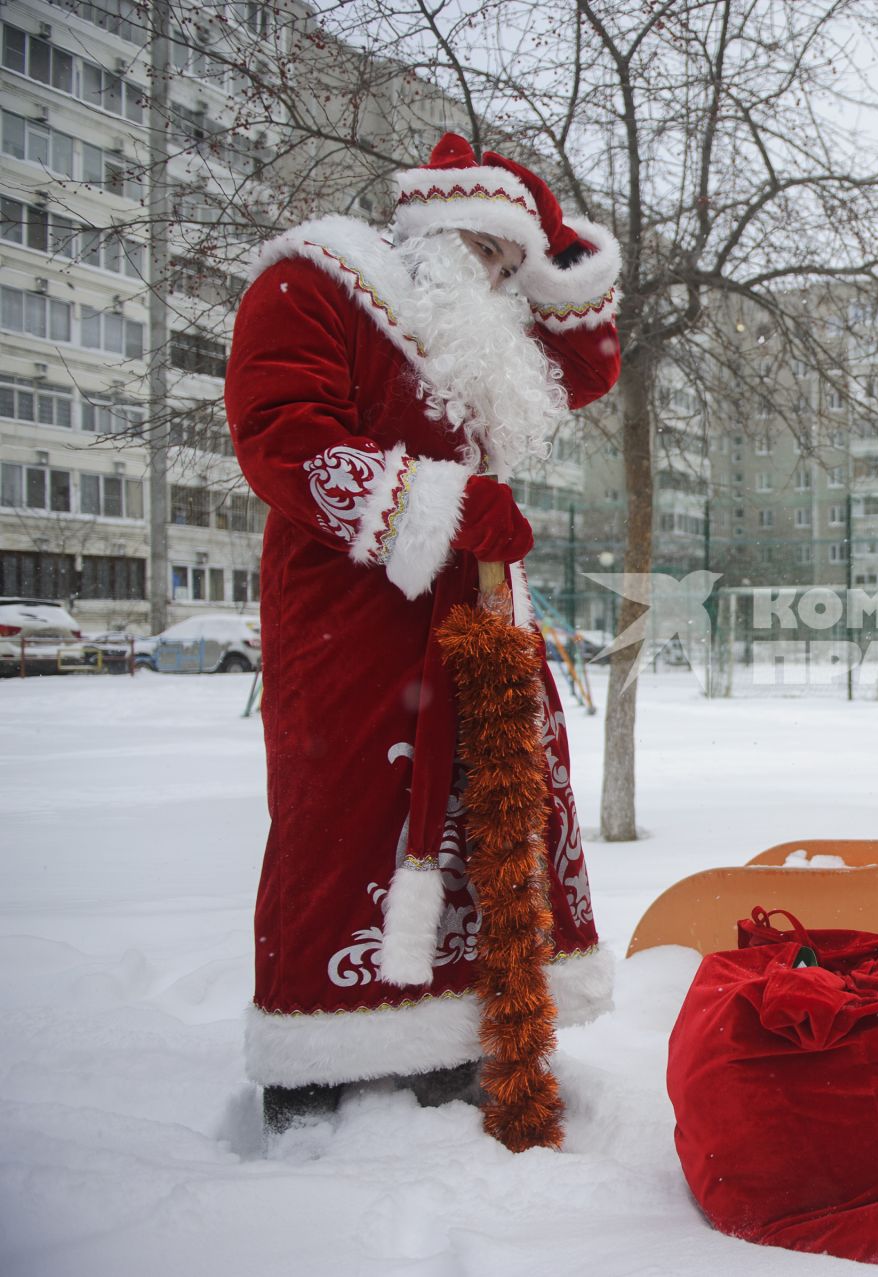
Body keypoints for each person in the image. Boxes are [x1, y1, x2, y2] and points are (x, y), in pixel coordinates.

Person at [224, 134, 624, 1132]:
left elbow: (585, 366)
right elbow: (281, 432)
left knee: (476, 816)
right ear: (438, 230)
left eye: (508, 263)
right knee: (342, 816)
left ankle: (454, 1037)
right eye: (486, 252)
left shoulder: (473, 343)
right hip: (349, 619)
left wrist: (551, 240)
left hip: (474, 613)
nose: (496, 277)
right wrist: (443, 505)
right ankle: (315, 1059)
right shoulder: (317, 278)